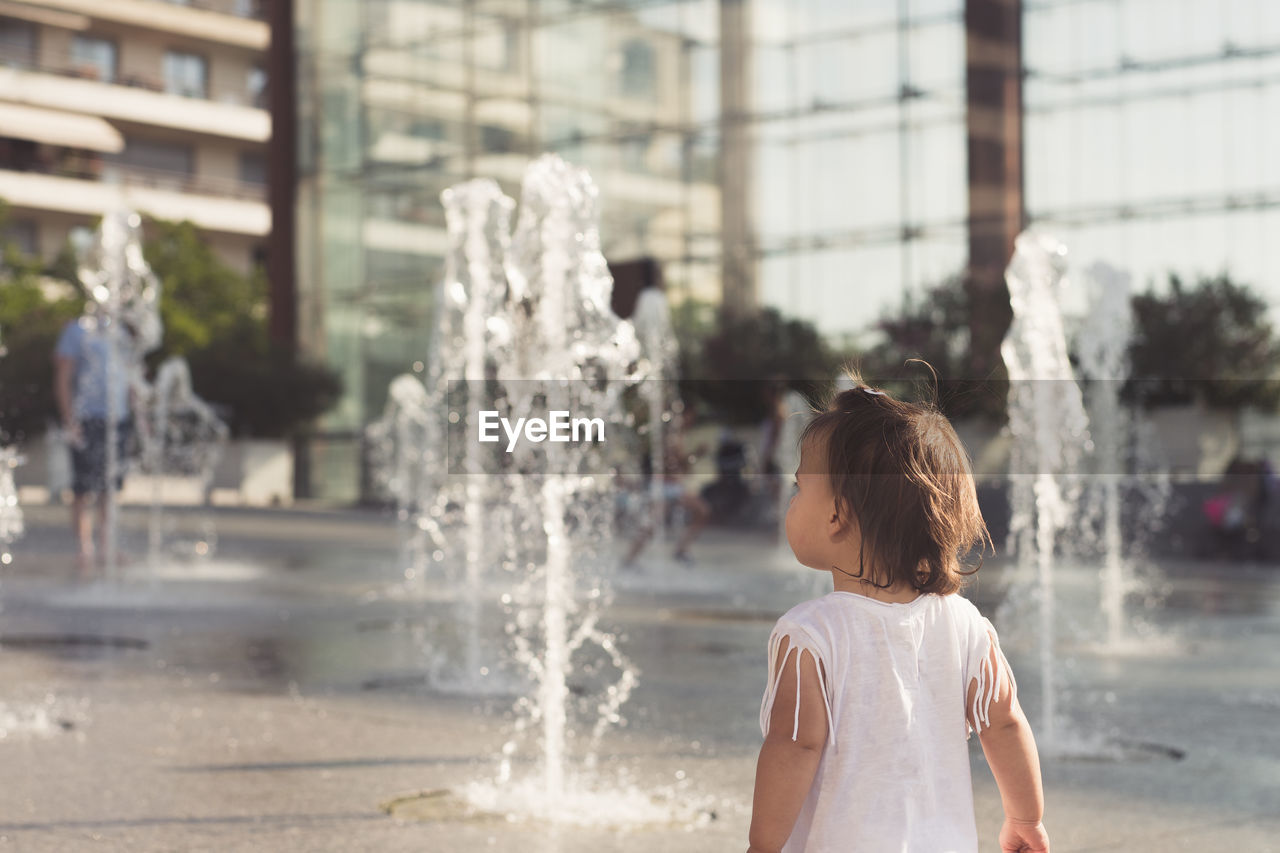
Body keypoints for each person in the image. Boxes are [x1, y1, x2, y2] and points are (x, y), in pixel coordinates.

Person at [748, 371, 1049, 853]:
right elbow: (1005, 721)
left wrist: (761, 848)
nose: (793, 498)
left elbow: (794, 745)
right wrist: (1025, 817)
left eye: (800, 487)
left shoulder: (809, 635)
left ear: (836, 515)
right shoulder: (966, 624)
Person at [53, 315, 140, 576]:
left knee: (111, 487)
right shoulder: (76, 330)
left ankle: (106, 548)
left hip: (119, 419)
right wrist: (69, 420)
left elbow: (131, 376)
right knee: (83, 486)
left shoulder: (122, 332)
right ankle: (84, 548)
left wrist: (141, 416)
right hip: (86, 418)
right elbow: (63, 376)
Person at [622, 403, 712, 567]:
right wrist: (696, 455)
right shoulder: (672, 436)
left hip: (673, 488)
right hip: (664, 487)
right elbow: (675, 464)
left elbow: (680, 466)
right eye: (690, 416)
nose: (692, 421)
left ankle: (681, 550)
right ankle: (630, 559)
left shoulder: (678, 435)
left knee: (702, 511)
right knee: (651, 525)